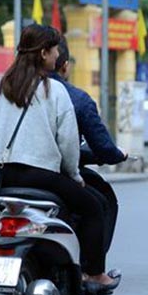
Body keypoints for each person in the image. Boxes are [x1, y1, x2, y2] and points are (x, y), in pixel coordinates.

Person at [0, 24, 119, 292]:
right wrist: (74, 176)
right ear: (44, 53)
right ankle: (94, 274)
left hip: (4, 174)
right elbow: (68, 143)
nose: (58, 55)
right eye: (55, 49)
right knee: (93, 206)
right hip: (42, 176)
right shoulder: (54, 91)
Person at [49, 37, 126, 256]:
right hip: (50, 173)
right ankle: (92, 270)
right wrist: (115, 155)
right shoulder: (67, 96)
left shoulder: (7, 89)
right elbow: (66, 148)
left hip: (5, 174)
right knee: (96, 205)